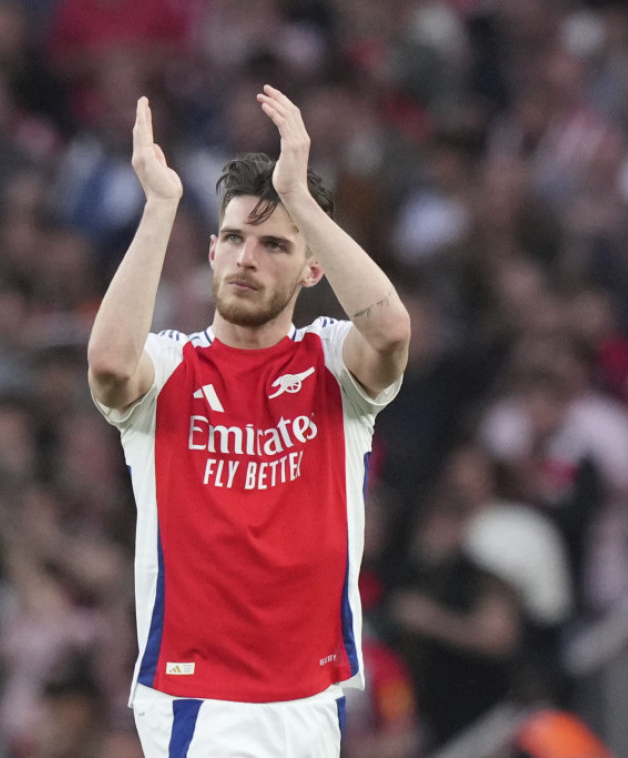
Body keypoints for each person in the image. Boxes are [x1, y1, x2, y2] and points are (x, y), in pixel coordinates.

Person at [86, 86, 410, 756]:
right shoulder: (169, 367)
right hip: (203, 697)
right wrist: (160, 208)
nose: (246, 258)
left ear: (313, 268)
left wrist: (300, 198)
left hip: (313, 693)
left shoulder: (331, 364)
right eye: (233, 239)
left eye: (273, 245)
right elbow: (110, 364)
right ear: (212, 252)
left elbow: (391, 333)